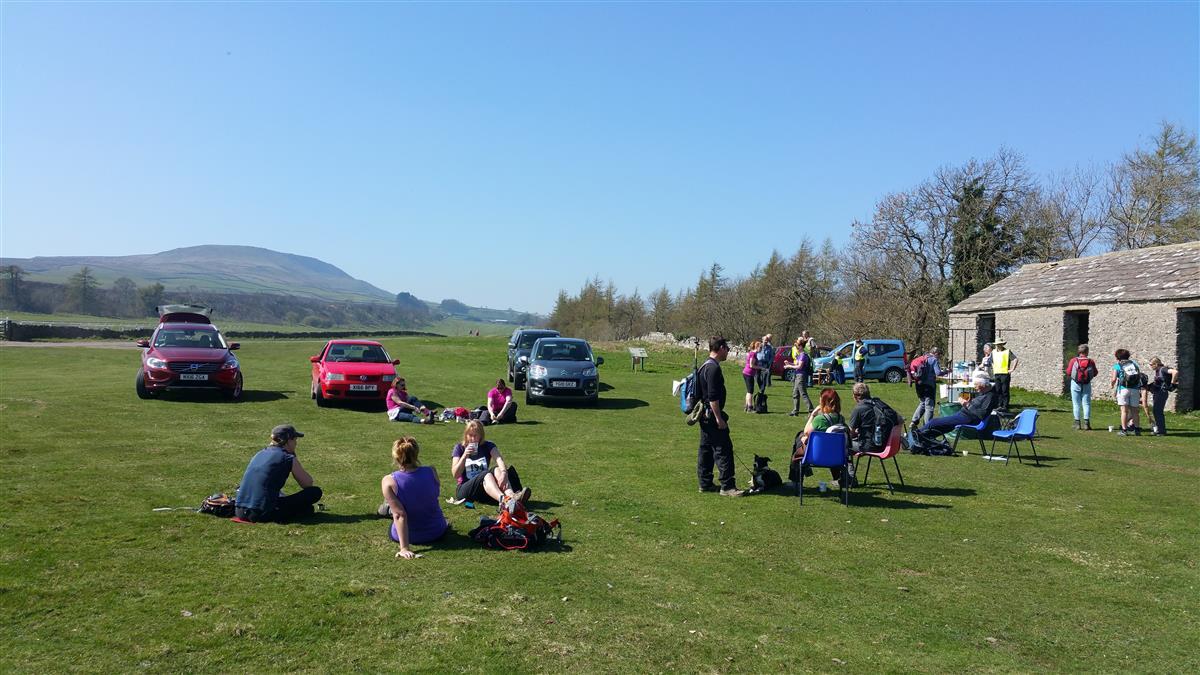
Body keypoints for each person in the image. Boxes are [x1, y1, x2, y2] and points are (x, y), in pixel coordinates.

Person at [234, 424, 322, 522]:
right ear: (288, 440)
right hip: (263, 513)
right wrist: (294, 457)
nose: (296, 443)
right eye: (295, 439)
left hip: (239, 511)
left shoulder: (260, 453)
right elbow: (308, 483)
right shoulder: (287, 457)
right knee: (315, 492)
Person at [380, 436, 450, 559]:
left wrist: (404, 548)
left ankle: (387, 506)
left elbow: (400, 515)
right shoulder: (431, 471)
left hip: (411, 535)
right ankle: (388, 505)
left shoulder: (389, 480)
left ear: (396, 457)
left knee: (394, 508)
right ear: (416, 454)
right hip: (437, 530)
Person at [696, 336, 744, 496]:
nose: (729, 352)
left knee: (706, 449)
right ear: (721, 348)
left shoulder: (704, 366)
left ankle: (705, 483)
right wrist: (719, 419)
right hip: (711, 415)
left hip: (703, 415)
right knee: (723, 449)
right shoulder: (713, 368)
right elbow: (713, 397)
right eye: (727, 349)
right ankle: (728, 486)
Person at [450, 420, 530, 504]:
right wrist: (465, 455)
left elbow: (499, 459)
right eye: (470, 435)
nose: (473, 439)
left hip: (484, 486)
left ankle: (512, 496)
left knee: (497, 469)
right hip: (465, 488)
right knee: (486, 474)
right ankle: (504, 501)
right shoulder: (459, 448)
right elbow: (455, 474)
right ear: (466, 435)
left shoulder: (488, 445)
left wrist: (504, 473)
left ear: (480, 436)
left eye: (475, 436)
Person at [791, 388, 856, 488]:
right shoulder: (840, 418)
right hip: (836, 456)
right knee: (804, 438)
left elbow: (806, 431)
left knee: (800, 437)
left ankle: (797, 480)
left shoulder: (820, 419)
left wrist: (813, 414)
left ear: (823, 402)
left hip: (817, 456)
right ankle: (837, 477)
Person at [914, 374, 998, 449]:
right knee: (947, 427)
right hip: (964, 415)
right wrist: (969, 402)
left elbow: (982, 414)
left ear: (983, 385)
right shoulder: (984, 393)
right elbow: (977, 406)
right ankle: (924, 438)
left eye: (976, 385)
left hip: (969, 418)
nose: (975, 387)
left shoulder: (990, 397)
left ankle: (915, 435)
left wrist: (967, 405)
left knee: (933, 422)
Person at [847, 382, 899, 454]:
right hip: (887, 445)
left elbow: (851, 433)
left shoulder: (859, 409)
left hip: (869, 446)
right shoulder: (879, 404)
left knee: (842, 444)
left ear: (856, 396)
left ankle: (848, 465)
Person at [910, 347, 948, 428]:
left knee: (922, 403)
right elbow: (938, 373)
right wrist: (946, 371)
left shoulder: (923, 357)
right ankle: (927, 426)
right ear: (936, 353)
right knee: (929, 406)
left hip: (919, 384)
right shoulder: (933, 360)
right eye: (939, 354)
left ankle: (914, 421)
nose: (939, 356)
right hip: (928, 386)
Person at [1064, 344, 1099, 431]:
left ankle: (1077, 423)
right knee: (1086, 403)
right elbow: (1095, 373)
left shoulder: (1073, 360)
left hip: (1075, 383)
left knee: (1076, 404)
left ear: (1079, 352)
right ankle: (1086, 423)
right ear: (1087, 352)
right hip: (1087, 384)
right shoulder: (1091, 361)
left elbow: (1068, 372)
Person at [1142, 357, 1178, 436]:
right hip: (1158, 392)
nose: (1150, 366)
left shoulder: (1163, 369)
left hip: (1162, 393)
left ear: (1156, 364)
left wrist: (1172, 383)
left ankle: (1161, 431)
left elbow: (1175, 372)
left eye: (1151, 364)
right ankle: (1160, 429)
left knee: (1158, 411)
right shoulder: (1158, 371)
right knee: (1156, 411)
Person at [1111, 348, 1142, 436]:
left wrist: (1112, 385)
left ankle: (1124, 430)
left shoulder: (1117, 365)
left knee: (1124, 411)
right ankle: (1137, 430)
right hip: (1135, 389)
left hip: (1123, 389)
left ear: (1117, 357)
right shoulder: (1134, 364)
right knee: (1135, 411)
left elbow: (1113, 379)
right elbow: (1139, 375)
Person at [786, 338, 814, 416]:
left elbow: (800, 366)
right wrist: (789, 363)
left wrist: (789, 366)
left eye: (797, 345)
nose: (796, 347)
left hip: (801, 376)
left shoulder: (803, 355)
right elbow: (796, 365)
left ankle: (811, 410)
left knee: (803, 394)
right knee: (795, 393)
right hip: (798, 375)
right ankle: (795, 411)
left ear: (801, 346)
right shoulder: (799, 355)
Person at [991, 340, 1018, 410]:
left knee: (1005, 390)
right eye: (997, 344)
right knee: (998, 390)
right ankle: (999, 405)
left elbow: (1015, 359)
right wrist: (993, 367)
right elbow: (991, 361)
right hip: (997, 373)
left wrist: (1012, 369)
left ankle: (1005, 406)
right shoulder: (993, 352)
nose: (998, 346)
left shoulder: (1007, 351)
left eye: (1000, 344)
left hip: (1005, 373)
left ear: (1002, 344)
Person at [742, 339, 761, 412]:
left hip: (747, 373)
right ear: (757, 347)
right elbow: (751, 365)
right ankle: (750, 407)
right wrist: (761, 368)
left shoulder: (752, 353)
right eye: (760, 347)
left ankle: (746, 406)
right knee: (750, 391)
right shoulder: (753, 354)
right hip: (748, 373)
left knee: (748, 390)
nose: (761, 349)